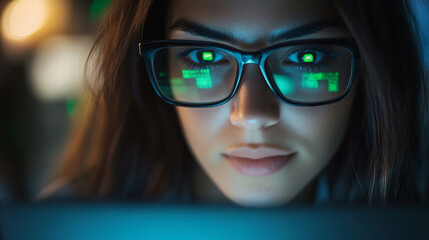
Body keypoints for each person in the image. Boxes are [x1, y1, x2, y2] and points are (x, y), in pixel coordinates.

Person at [40, 0, 428, 207]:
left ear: (372, 69)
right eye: (204, 58)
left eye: (306, 56)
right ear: (150, 71)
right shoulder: (58, 226)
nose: (252, 115)